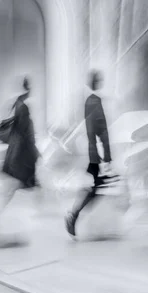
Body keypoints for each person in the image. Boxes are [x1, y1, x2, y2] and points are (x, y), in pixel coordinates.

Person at [0, 77, 40, 245]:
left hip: (15, 158)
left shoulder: (16, 105)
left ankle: (1, 229)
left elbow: (18, 133)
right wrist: (36, 154)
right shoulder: (23, 108)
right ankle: (1, 230)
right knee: (12, 195)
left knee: (10, 195)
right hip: (20, 160)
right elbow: (26, 137)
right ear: (27, 89)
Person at [65, 70, 118, 237]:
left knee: (99, 186)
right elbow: (101, 132)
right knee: (98, 186)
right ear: (96, 82)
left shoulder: (90, 101)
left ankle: (79, 217)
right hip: (95, 154)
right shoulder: (95, 101)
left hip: (92, 152)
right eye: (98, 79)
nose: (100, 81)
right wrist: (106, 156)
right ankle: (74, 215)